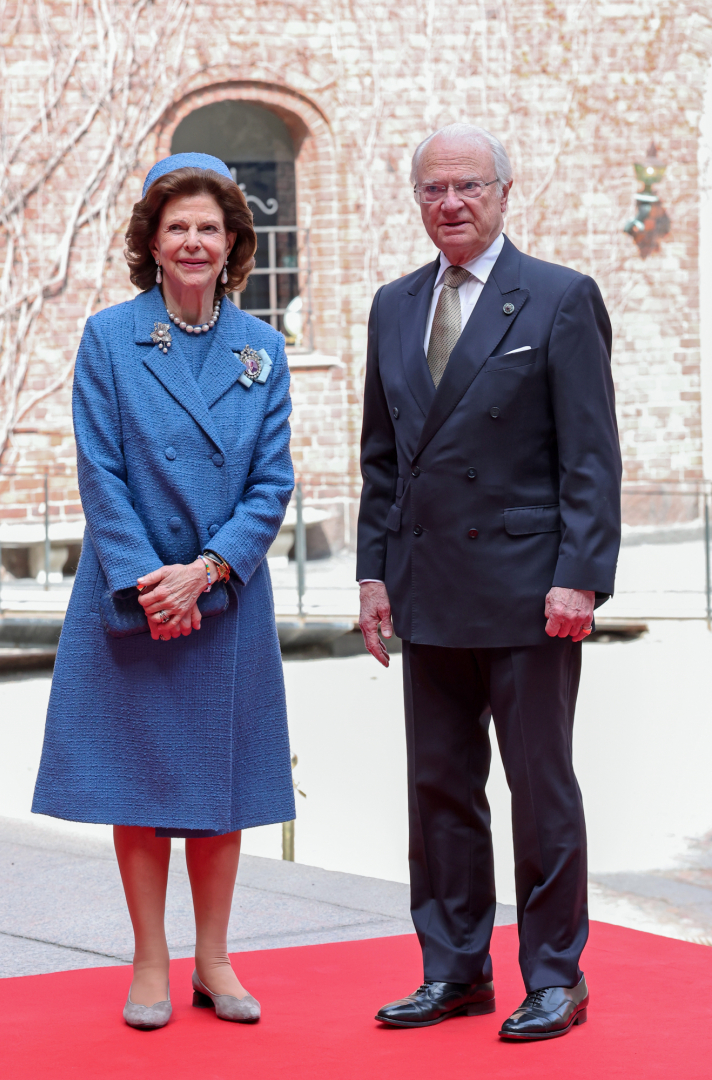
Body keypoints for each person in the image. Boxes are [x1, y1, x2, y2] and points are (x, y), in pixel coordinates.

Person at [356, 124, 622, 1041]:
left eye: (469, 185)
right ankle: (454, 970)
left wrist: (579, 577)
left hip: (527, 591)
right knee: (438, 789)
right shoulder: (393, 306)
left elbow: (590, 458)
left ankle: (555, 974)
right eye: (434, 188)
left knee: (539, 789)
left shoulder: (557, 298)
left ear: (507, 192)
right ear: (418, 198)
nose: (451, 203)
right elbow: (383, 462)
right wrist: (372, 576)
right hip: (427, 586)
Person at [32, 153, 296, 1030]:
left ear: (232, 244)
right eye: (176, 226)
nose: (193, 241)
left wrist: (209, 570)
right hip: (132, 595)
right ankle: (150, 961)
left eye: (209, 228)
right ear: (152, 240)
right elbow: (99, 470)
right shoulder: (110, 336)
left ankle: (214, 960)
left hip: (223, 596)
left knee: (221, 790)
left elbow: (272, 481)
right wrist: (153, 582)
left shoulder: (263, 349)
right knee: (140, 788)